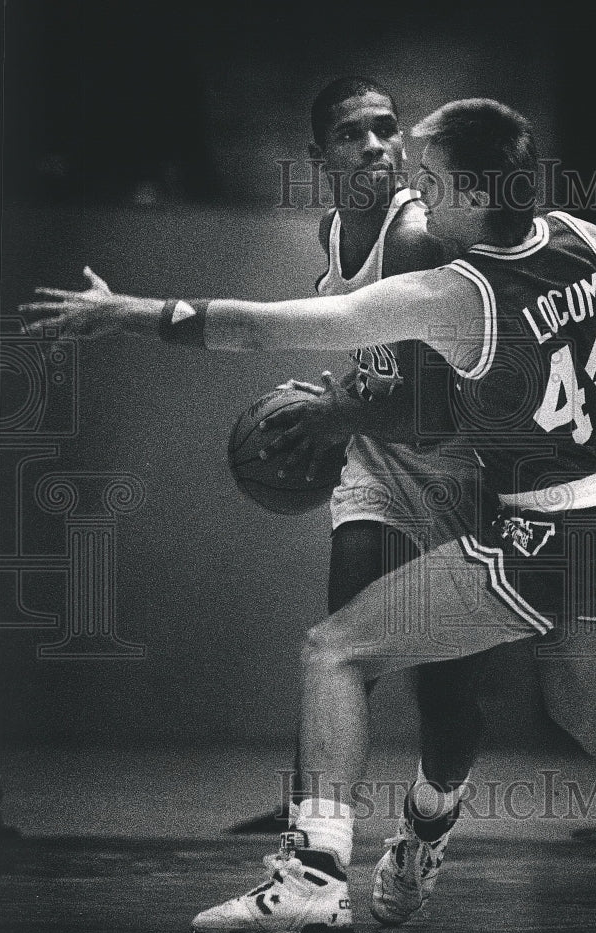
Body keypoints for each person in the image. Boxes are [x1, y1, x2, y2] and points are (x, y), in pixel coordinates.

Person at [20, 99, 596, 933]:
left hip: (546, 538)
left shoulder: (456, 296)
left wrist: (133, 313)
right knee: (586, 706)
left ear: (479, 194)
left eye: (434, 180)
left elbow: (270, 330)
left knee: (334, 650)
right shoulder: (578, 237)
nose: (418, 192)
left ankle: (310, 878)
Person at [238, 76, 487, 842]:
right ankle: (311, 818)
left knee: (441, 685)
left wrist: (338, 411)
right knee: (340, 640)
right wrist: (341, 394)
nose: (377, 145)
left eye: (387, 128)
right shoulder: (331, 232)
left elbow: (430, 406)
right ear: (321, 156)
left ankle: (434, 814)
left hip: (450, 471)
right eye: (353, 134)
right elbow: (383, 356)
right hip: (380, 466)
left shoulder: (412, 237)